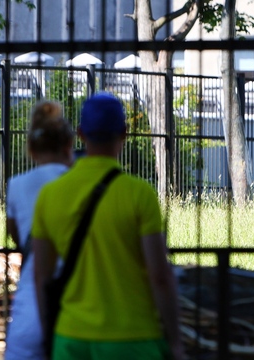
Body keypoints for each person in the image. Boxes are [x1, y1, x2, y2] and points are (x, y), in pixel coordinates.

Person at [32, 92, 184, 360]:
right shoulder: (139, 194)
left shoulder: (49, 195)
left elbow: (41, 277)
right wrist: (175, 342)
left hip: (71, 338)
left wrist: (49, 336)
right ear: (124, 133)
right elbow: (159, 275)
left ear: (80, 134)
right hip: (133, 338)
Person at [4, 100, 75, 360]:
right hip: (78, 307)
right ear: (68, 146)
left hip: (29, 308)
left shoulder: (16, 185)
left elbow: (17, 238)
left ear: (31, 149)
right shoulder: (82, 184)